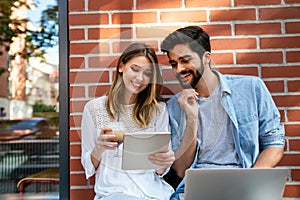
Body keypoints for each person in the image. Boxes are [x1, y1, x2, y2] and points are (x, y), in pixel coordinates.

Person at [160, 26, 285, 198]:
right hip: (197, 185)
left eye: (185, 60)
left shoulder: (251, 88)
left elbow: (274, 143)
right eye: (173, 63)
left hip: (244, 178)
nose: (179, 69)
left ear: (206, 57)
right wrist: (192, 118)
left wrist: (250, 182)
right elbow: (181, 170)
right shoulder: (175, 106)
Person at [81, 43, 175, 200]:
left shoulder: (158, 110)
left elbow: (159, 171)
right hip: (114, 192)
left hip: (153, 192)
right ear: (121, 67)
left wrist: (165, 161)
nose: (140, 78)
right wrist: (99, 148)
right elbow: (88, 165)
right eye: (135, 69)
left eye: (147, 73)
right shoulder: (94, 109)